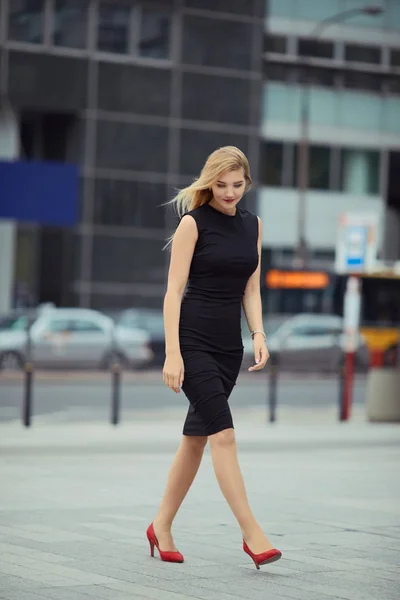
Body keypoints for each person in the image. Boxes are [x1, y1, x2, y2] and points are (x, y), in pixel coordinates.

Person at [146, 146, 282, 570]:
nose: (229, 193)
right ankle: (252, 535)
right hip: (192, 342)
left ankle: (160, 526)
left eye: (237, 185)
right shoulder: (193, 223)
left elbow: (252, 289)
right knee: (223, 434)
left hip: (228, 348)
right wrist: (172, 352)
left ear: (247, 182)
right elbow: (173, 292)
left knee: (196, 440)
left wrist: (259, 334)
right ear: (209, 182)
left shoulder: (252, 226)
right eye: (221, 185)